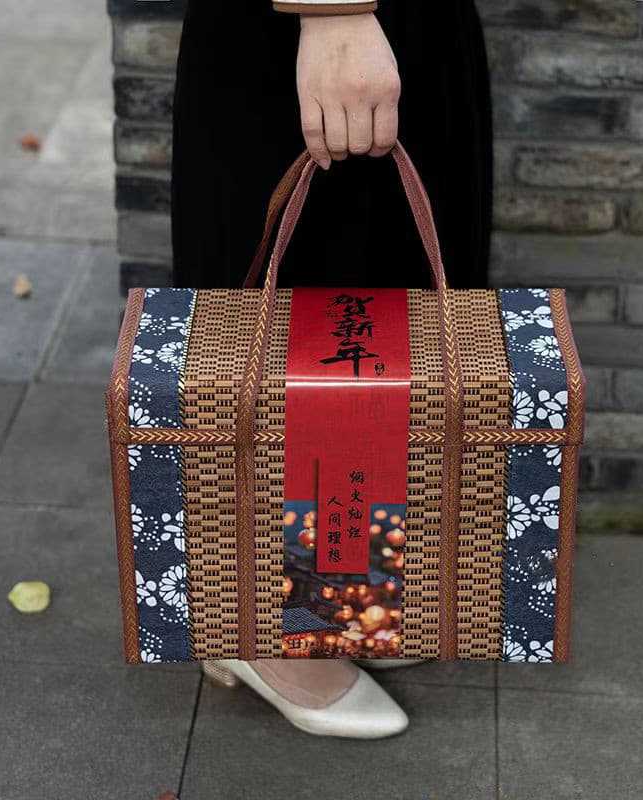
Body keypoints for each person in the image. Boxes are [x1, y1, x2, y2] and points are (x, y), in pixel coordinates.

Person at [171, 0, 493, 738]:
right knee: (287, 309)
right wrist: (332, 11)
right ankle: (257, 622)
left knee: (397, 310)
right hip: (299, 23)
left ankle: (349, 596)